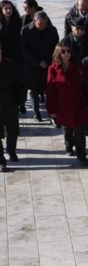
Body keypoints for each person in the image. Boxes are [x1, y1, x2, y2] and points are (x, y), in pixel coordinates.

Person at [46, 42, 88, 165]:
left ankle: (81, 155)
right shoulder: (53, 69)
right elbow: (50, 90)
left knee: (79, 130)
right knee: (67, 128)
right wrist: (52, 109)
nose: (66, 53)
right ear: (58, 54)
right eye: (63, 51)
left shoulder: (78, 66)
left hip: (78, 103)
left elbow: (86, 84)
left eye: (68, 51)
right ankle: (68, 145)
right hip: (63, 105)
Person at [21, 11, 58, 123]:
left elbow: (55, 47)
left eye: (44, 24)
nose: (42, 26)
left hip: (48, 65)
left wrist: (47, 61)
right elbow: (24, 48)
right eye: (40, 24)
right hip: (32, 66)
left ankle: (52, 113)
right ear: (34, 21)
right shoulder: (26, 30)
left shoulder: (52, 30)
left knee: (49, 90)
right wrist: (37, 61)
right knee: (33, 91)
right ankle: (36, 113)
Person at [0, 42, 25, 170]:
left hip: (9, 103)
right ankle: (1, 160)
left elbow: (19, 83)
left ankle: (11, 151)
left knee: (12, 130)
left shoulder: (10, 65)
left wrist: (19, 100)